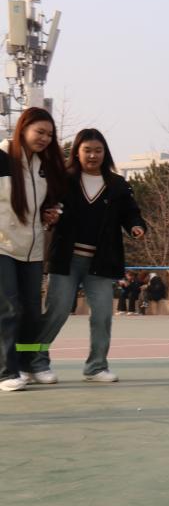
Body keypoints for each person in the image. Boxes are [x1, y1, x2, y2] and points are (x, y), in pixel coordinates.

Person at [29, 128, 146, 383]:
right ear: (76, 153)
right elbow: (45, 206)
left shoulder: (117, 184)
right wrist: (49, 215)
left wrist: (136, 226)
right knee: (58, 311)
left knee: (103, 315)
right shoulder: (63, 179)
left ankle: (96, 366)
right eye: (87, 150)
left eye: (98, 150)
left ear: (105, 153)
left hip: (101, 262)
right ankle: (36, 362)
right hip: (66, 260)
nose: (93, 155)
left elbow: (131, 212)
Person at [0, 107, 67, 391]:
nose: (45, 138)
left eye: (50, 134)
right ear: (23, 128)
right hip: (3, 246)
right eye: (39, 132)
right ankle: (6, 371)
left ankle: (29, 364)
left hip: (33, 248)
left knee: (31, 310)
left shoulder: (45, 165)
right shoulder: (2, 157)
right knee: (9, 307)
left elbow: (55, 200)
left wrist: (53, 212)